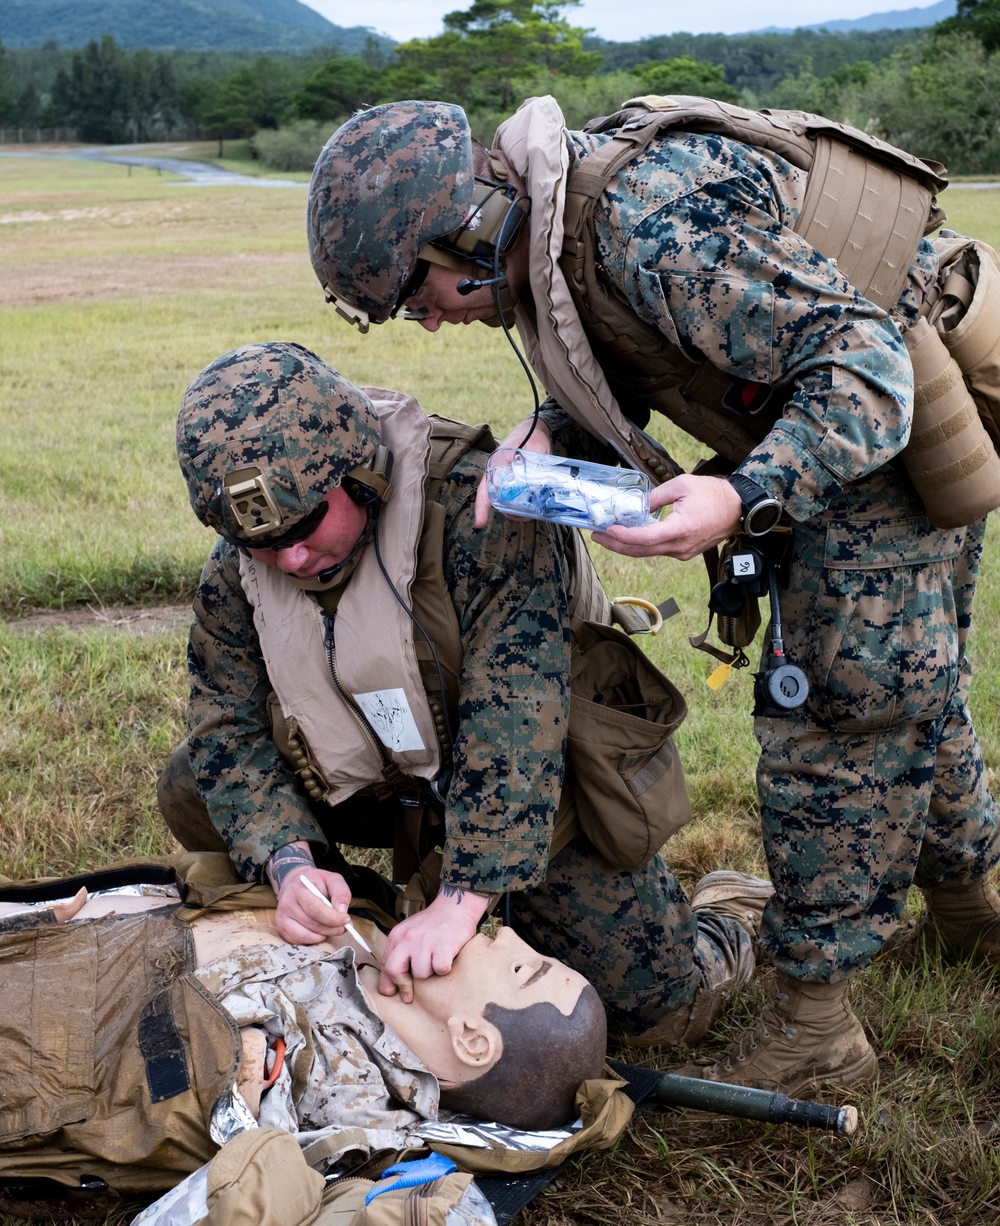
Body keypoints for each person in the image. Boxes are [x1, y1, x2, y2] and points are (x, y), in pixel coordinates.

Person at [305, 98, 1000, 1096]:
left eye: (415, 294)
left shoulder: (647, 224)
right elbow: (638, 341)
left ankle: (818, 1024)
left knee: (844, 715)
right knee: (908, 681)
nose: (424, 320)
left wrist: (738, 495)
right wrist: (557, 433)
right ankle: (970, 899)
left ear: (464, 231)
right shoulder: (560, 222)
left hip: (869, 436)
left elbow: (864, 371)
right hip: (822, 425)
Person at [158, 340, 773, 1055]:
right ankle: (365, 914)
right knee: (193, 787)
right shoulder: (241, 565)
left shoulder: (480, 511)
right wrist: (290, 864)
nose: (289, 559)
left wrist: (463, 898)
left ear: (359, 473)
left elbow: (518, 716)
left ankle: (729, 911)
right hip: (385, 776)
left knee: (659, 1014)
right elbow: (223, 725)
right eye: (258, 543)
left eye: (302, 529)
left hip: (533, 776)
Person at [0, 883, 607, 1188]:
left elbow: (248, 1143)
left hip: (55, 1016)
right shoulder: (372, 929)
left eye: (524, 968)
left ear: (473, 1039)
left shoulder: (340, 1090)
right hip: (58, 940)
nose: (509, 936)